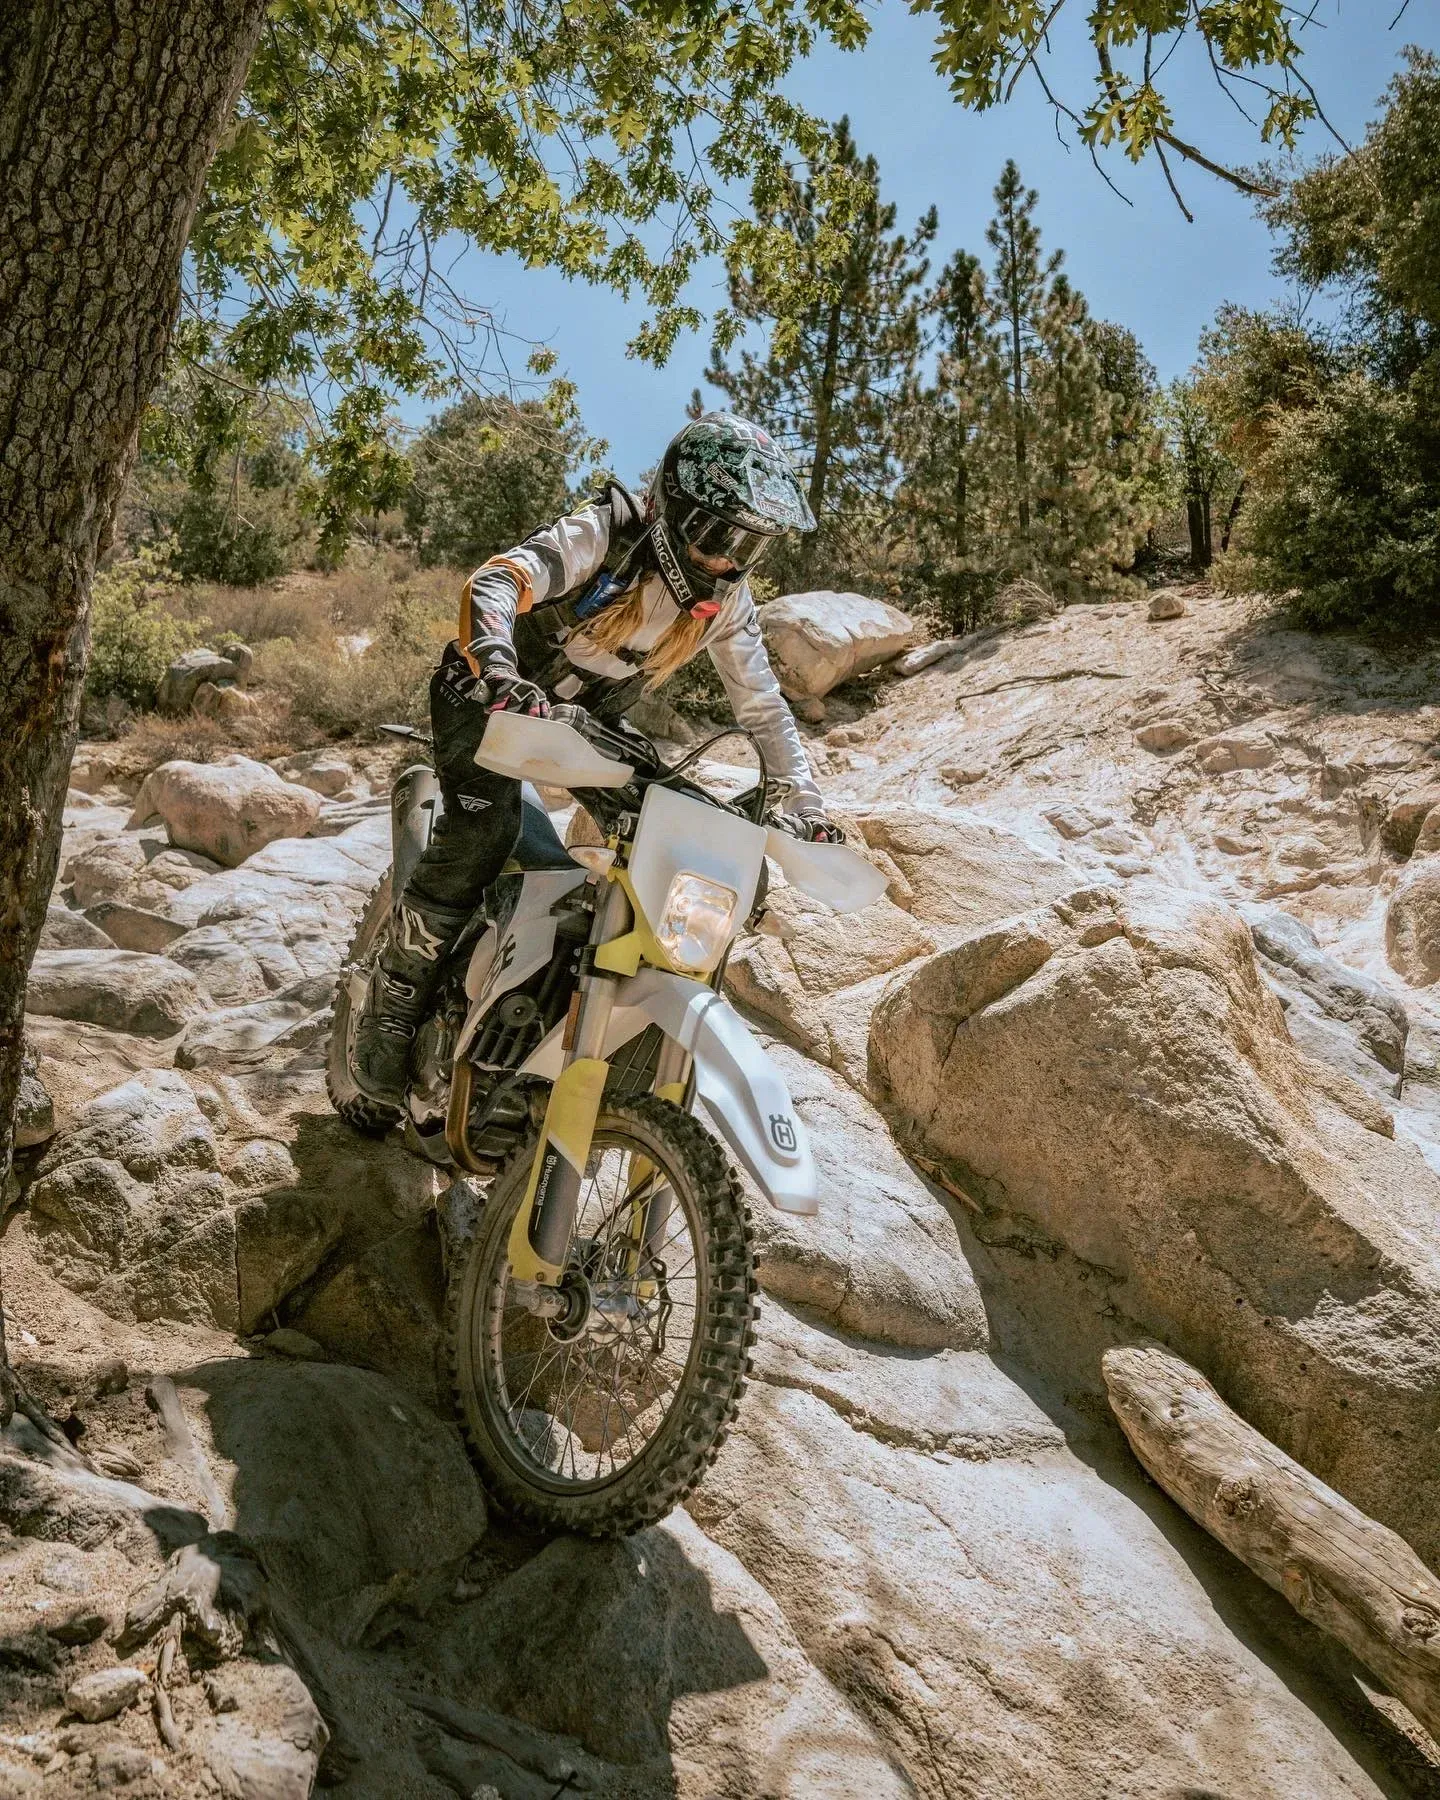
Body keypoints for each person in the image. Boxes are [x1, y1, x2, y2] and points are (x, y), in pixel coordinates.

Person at [353, 410, 845, 1107]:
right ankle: (394, 1002)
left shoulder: (729, 602)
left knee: (680, 830)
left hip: (580, 725)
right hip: (484, 694)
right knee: (484, 832)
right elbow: (496, 582)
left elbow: (763, 708)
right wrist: (497, 666)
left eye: (747, 547)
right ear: (675, 508)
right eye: (717, 536)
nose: (727, 561)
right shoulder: (608, 530)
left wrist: (806, 809)